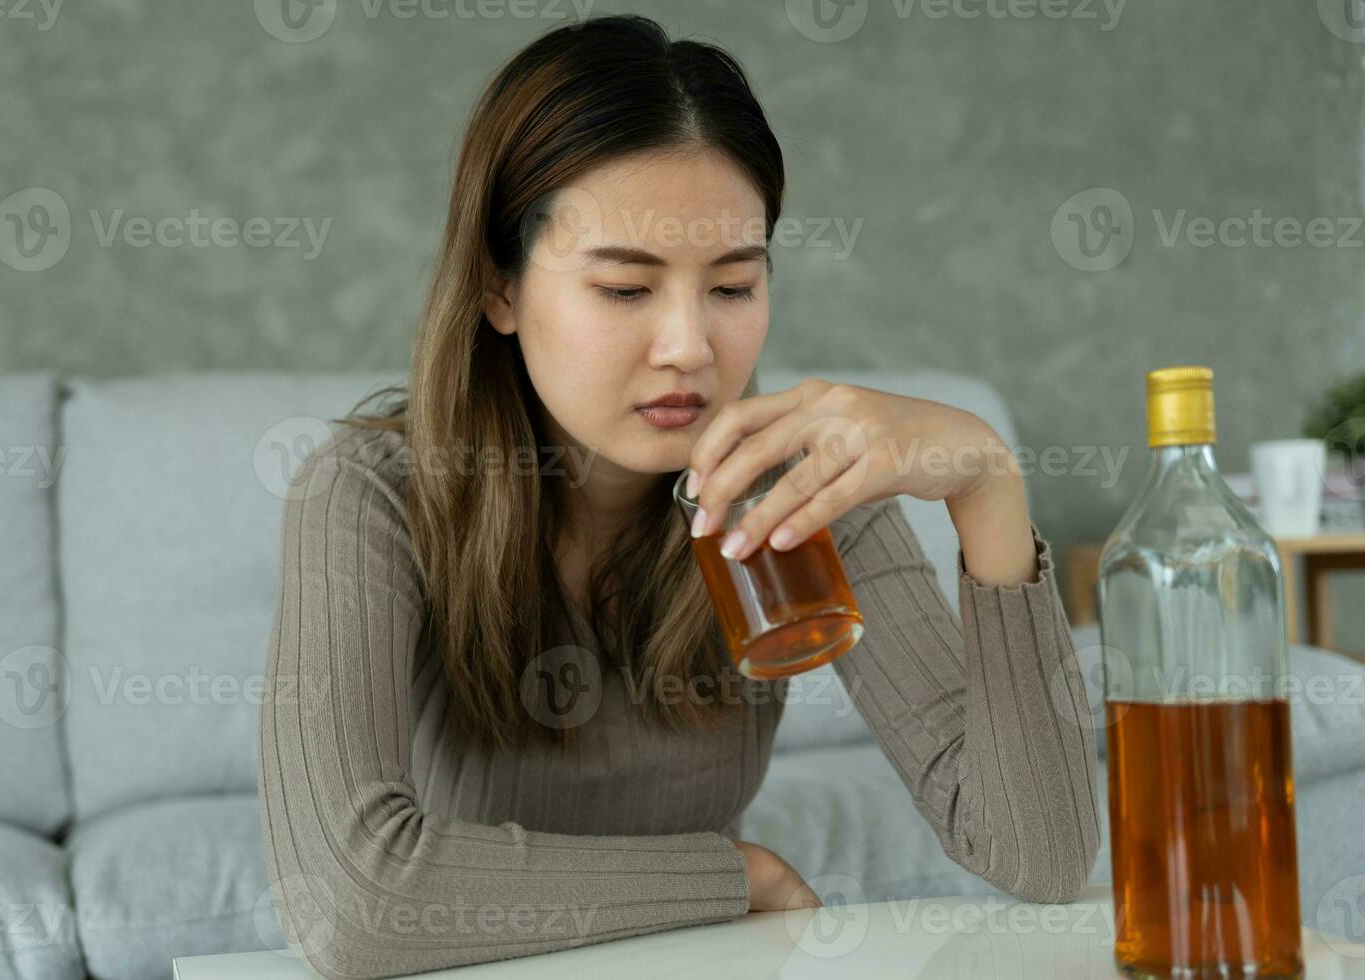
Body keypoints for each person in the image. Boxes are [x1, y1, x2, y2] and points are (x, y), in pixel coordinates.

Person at [257, 13, 1100, 979]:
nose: (690, 349)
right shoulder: (372, 493)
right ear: (500, 289)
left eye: (733, 288)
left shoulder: (801, 490)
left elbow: (1037, 857)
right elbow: (351, 903)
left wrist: (988, 487)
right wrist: (730, 878)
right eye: (626, 290)